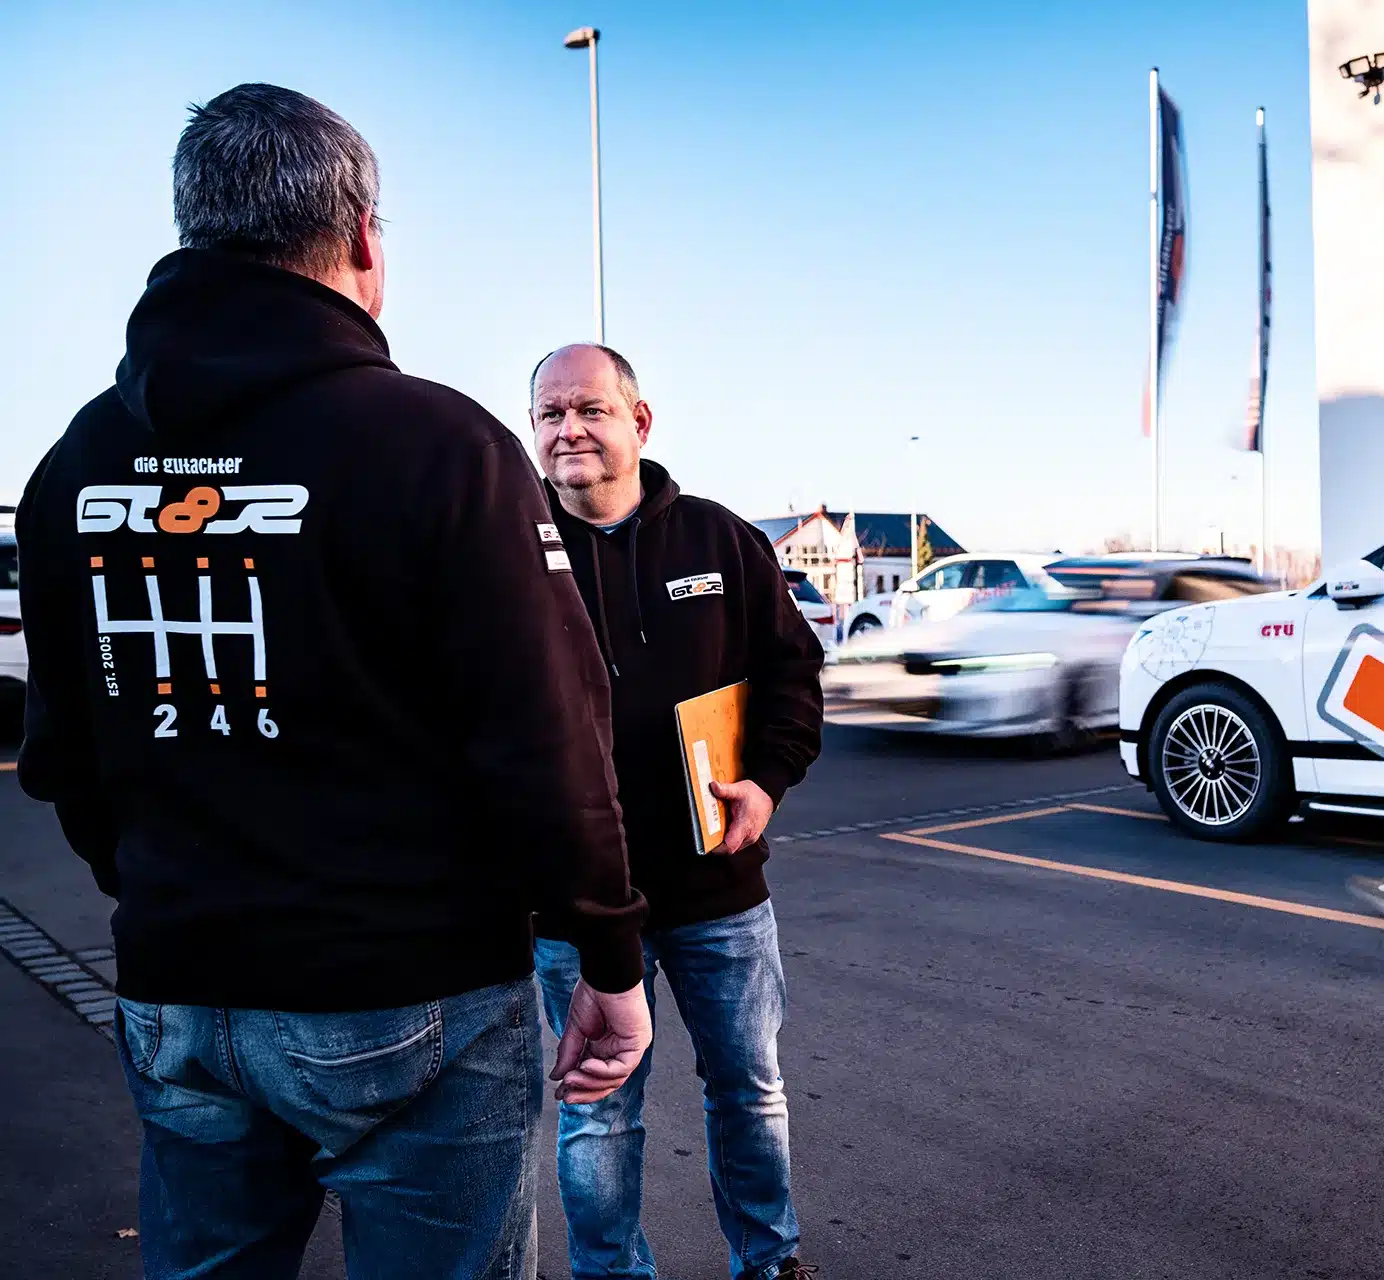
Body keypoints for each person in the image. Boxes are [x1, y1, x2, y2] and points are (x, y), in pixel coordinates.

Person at [15, 85, 652, 1278]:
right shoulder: (438, 445)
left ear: (195, 228)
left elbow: (63, 746)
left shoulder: (75, 467)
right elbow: (552, 741)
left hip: (180, 990)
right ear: (363, 238)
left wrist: (171, 888)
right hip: (409, 997)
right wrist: (610, 958)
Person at [529, 343, 825, 1280]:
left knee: (749, 1091)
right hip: (575, 906)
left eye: (589, 408)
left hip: (719, 894)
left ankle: (768, 1263)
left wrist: (768, 782)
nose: (568, 429)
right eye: (548, 415)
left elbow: (793, 674)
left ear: (639, 422)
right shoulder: (509, 552)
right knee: (597, 1109)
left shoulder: (718, 539)